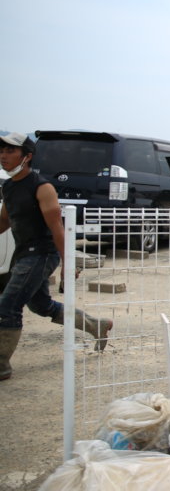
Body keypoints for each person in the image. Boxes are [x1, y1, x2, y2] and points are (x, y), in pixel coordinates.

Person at [0, 131, 112, 381]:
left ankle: (1, 366)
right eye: (2, 151)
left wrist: (66, 263)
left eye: (10, 151)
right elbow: (4, 222)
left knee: (7, 306)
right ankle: (97, 325)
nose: (4, 156)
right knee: (41, 305)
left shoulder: (42, 187)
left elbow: (57, 229)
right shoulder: (9, 187)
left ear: (27, 156)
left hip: (40, 255)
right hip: (23, 255)